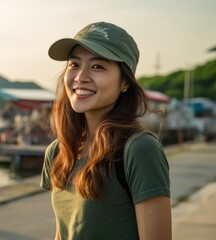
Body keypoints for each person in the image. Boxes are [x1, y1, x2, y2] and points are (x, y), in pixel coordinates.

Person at [40, 22, 171, 240]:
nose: (81, 76)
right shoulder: (58, 152)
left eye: (98, 66)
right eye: (74, 64)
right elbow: (63, 233)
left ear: (125, 83)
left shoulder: (139, 149)